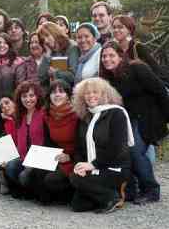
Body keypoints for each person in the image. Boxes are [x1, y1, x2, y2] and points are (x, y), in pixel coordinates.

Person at [100, 41, 168, 204]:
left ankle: (151, 189)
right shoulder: (108, 78)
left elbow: (160, 91)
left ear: (120, 56)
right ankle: (131, 189)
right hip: (128, 120)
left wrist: (166, 119)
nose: (107, 59)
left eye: (111, 55)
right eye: (104, 56)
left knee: (135, 151)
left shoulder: (137, 68)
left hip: (148, 119)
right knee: (124, 152)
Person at [70, 77, 132, 213]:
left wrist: (93, 164)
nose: (91, 96)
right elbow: (80, 147)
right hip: (94, 166)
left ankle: (113, 197)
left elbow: (116, 148)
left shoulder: (116, 113)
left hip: (115, 167)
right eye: (87, 93)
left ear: (104, 94)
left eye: (95, 92)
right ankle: (107, 193)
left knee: (75, 179)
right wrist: (80, 165)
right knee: (77, 205)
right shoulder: (85, 116)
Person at [29, 80, 78, 204]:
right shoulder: (47, 115)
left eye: (61, 92)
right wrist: (45, 158)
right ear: (49, 96)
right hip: (57, 154)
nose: (57, 95)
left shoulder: (77, 115)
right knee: (34, 173)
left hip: (75, 157)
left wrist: (69, 157)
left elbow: (83, 144)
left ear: (68, 95)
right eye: (53, 92)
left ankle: (71, 194)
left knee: (52, 180)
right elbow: (48, 141)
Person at [5, 81, 46, 198]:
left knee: (25, 176)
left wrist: (34, 160)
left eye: (31, 95)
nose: (28, 99)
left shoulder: (44, 113)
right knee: (10, 167)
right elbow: (17, 140)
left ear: (38, 96)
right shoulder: (20, 115)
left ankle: (31, 191)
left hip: (39, 157)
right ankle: (23, 188)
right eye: (24, 96)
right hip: (23, 156)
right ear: (19, 98)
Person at [112, 15, 169, 85]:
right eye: (114, 27)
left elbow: (156, 70)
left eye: (120, 27)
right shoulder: (112, 49)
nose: (116, 30)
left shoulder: (137, 47)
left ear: (129, 30)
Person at [37, 22, 79, 86]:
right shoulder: (49, 51)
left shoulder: (71, 47)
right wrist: (47, 55)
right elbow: (40, 77)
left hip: (68, 89)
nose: (46, 41)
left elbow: (74, 76)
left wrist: (56, 73)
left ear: (55, 32)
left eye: (47, 36)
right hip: (53, 90)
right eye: (43, 39)